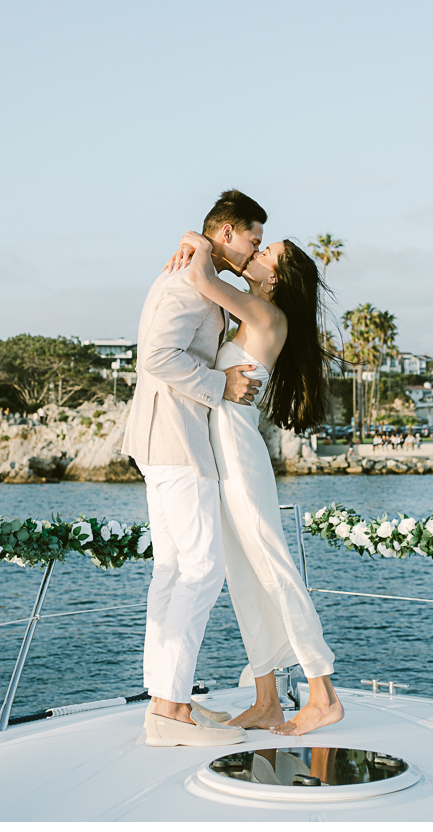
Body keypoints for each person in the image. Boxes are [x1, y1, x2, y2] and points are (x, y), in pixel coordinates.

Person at [169, 228, 344, 737]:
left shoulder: (268, 315)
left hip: (241, 459)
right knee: (243, 577)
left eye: (267, 251)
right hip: (220, 458)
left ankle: (322, 693)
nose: (257, 252)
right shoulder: (252, 309)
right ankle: (267, 698)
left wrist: (196, 240)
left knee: (273, 567)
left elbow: (200, 276)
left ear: (279, 275)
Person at [121, 190, 266, 748]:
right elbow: (156, 356)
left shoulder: (193, 268)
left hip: (162, 439)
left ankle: (166, 700)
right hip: (177, 438)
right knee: (202, 568)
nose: (254, 252)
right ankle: (170, 707)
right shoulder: (187, 280)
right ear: (226, 232)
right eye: (252, 239)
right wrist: (221, 384)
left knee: (174, 568)